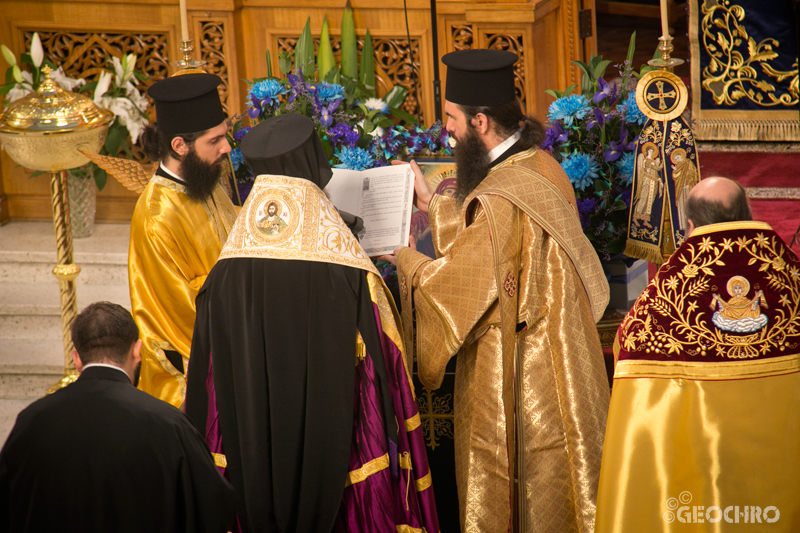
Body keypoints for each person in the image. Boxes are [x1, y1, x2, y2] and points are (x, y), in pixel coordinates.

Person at [383, 49, 611, 532]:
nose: (445, 129)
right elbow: (490, 241)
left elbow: (459, 286)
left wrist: (402, 258)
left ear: (481, 121)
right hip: (563, 346)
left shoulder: (501, 194)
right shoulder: (540, 164)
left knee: (517, 475)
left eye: (451, 118)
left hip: (521, 362)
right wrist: (438, 202)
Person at [185, 114, 439, 533]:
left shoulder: (223, 276)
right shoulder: (349, 274)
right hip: (338, 476)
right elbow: (384, 372)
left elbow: (209, 386)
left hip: (249, 462)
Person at [596, 177, 800, 531]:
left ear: (690, 226)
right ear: (746, 213)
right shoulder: (789, 279)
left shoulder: (664, 299)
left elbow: (627, 345)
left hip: (703, 487)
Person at [0, 302, 237, 533]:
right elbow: (214, 508)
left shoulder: (31, 421)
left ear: (77, 359)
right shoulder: (170, 423)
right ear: (137, 350)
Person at [129, 73, 238, 408]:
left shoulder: (202, 180)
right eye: (215, 140)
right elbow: (183, 312)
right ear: (180, 145)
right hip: (190, 383)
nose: (227, 147)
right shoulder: (156, 216)